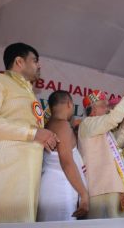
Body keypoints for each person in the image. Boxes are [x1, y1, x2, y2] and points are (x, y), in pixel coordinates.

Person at [0, 43, 59, 223]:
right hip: (1, 181)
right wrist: (32, 133)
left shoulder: (30, 95)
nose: (39, 65)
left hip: (27, 183)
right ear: (19, 61)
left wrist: (44, 135)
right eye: (35, 60)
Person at [78, 83, 124, 219]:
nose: (107, 109)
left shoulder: (99, 127)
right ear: (93, 109)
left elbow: (118, 145)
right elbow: (112, 119)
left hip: (115, 185)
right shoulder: (87, 124)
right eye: (104, 106)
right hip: (103, 188)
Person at [37, 91, 88, 221]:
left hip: (50, 186)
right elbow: (66, 162)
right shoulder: (63, 125)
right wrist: (83, 194)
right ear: (69, 104)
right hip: (61, 188)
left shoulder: (48, 124)